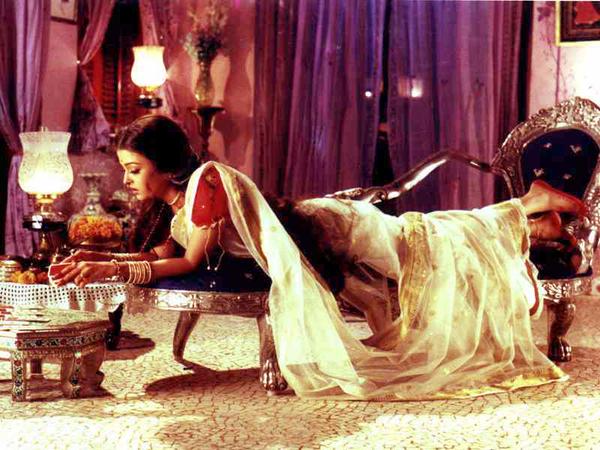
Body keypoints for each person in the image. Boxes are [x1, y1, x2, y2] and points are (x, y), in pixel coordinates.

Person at [53, 114, 586, 401]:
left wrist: (114, 268)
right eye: (126, 169)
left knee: (431, 242)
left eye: (134, 169)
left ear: (167, 166)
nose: (128, 179)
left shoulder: (207, 184)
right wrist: (98, 257)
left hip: (340, 226)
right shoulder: (177, 203)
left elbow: (190, 261)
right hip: (324, 231)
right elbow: (161, 253)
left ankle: (529, 203)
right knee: (434, 246)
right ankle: (536, 223)